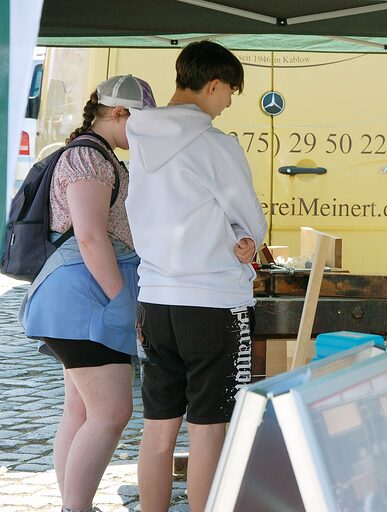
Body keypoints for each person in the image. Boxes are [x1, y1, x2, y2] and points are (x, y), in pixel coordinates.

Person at [124, 41, 267, 512]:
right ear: (213, 84)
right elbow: (249, 218)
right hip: (213, 301)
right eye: (230, 92)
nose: (228, 102)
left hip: (155, 299)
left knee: (159, 429)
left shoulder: (140, 137)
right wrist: (246, 238)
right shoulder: (215, 144)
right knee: (210, 429)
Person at [20, 75, 156, 512]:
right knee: (112, 412)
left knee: (80, 412)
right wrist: (122, 301)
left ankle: (75, 506)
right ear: (119, 114)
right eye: (140, 121)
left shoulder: (95, 155)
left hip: (76, 300)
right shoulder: (89, 160)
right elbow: (91, 237)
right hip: (86, 299)